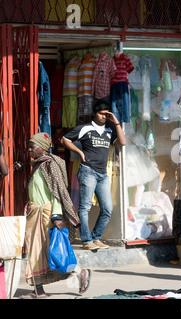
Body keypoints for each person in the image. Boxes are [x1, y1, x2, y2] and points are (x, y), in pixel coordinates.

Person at [21, 133, 91, 298]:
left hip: (46, 214)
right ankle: (38, 290)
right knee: (36, 251)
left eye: (33, 146)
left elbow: (58, 192)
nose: (29, 150)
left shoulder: (50, 165)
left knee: (54, 250)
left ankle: (81, 273)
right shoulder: (38, 165)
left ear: (43, 148)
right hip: (35, 213)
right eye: (29, 146)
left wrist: (56, 215)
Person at [62, 101, 126, 250]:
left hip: (102, 175)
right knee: (85, 207)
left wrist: (115, 121)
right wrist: (79, 152)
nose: (104, 116)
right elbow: (64, 139)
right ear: (94, 114)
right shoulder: (85, 129)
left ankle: (96, 238)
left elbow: (122, 142)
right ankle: (86, 240)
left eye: (106, 114)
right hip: (88, 171)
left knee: (107, 209)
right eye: (101, 113)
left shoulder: (109, 131)